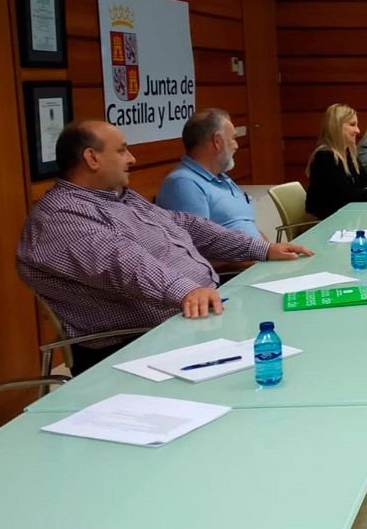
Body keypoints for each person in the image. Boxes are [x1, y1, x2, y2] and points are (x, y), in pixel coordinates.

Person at [16, 120, 314, 376]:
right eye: (121, 150)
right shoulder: (60, 218)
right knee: (276, 363)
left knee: (300, 333)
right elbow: (121, 261)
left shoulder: (120, 197)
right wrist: (184, 290)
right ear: (92, 158)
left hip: (196, 318)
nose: (131, 158)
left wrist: (259, 249)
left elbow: (186, 224)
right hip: (138, 348)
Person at [155, 108, 261, 239]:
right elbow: (196, 250)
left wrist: (270, 248)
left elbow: (246, 223)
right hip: (243, 259)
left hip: (259, 256)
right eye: (233, 138)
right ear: (217, 141)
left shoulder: (220, 176)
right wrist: (261, 253)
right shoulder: (184, 184)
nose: (236, 145)